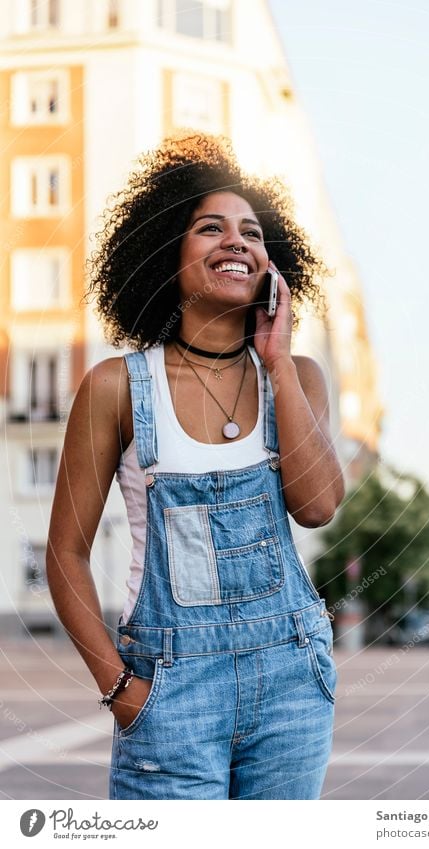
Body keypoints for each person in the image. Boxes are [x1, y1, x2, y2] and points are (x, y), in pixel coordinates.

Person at [47, 132, 346, 800]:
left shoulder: (296, 377)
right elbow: (65, 553)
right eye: (210, 227)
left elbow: (319, 505)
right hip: (170, 696)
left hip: (291, 692)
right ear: (165, 254)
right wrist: (124, 692)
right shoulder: (116, 387)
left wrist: (275, 359)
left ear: (272, 263)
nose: (236, 240)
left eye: (252, 232)